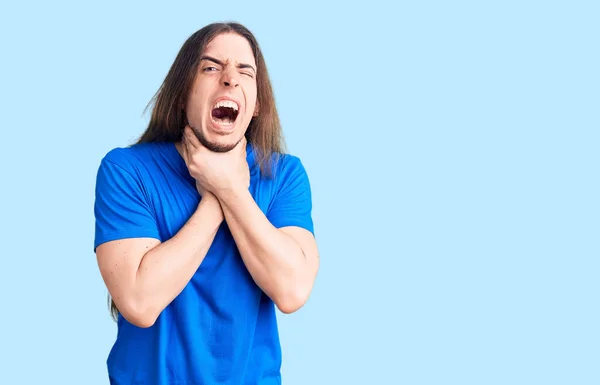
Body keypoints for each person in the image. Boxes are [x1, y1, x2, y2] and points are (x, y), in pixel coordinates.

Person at [93, 22, 319, 385]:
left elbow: (292, 290)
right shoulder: (126, 170)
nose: (230, 78)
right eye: (211, 67)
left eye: (245, 71)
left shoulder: (284, 176)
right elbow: (138, 302)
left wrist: (230, 189)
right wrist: (218, 193)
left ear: (257, 103)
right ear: (183, 94)